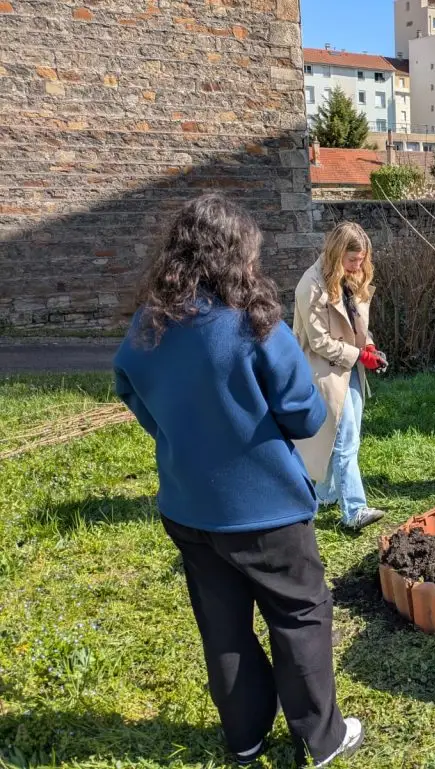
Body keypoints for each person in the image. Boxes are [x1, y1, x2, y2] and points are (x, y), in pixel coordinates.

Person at [113, 195, 363, 766]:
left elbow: (129, 385)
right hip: (267, 507)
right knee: (300, 614)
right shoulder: (254, 325)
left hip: (188, 505)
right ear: (237, 257)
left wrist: (174, 434)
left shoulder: (148, 326)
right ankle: (320, 739)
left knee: (221, 623)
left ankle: (245, 737)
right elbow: (304, 414)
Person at [292, 221, 388, 531]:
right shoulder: (310, 285)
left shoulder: (354, 276)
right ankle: (354, 511)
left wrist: (369, 346)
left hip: (351, 366)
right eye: (351, 261)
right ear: (336, 254)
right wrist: (360, 355)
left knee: (344, 436)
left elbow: (359, 325)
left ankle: (324, 493)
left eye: (361, 261)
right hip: (324, 369)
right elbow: (319, 341)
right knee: (345, 439)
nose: (357, 267)